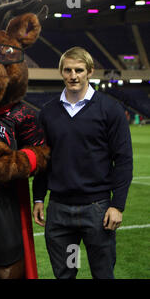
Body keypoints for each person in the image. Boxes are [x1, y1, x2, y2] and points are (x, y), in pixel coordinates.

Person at [32, 46, 133, 279]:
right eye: (68, 70)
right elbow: (43, 158)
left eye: (79, 70)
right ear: (61, 72)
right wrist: (38, 197)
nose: (73, 75)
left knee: (102, 274)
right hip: (59, 213)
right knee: (66, 273)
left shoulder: (110, 109)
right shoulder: (48, 113)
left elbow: (124, 160)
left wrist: (117, 205)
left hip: (96, 211)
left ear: (90, 71)